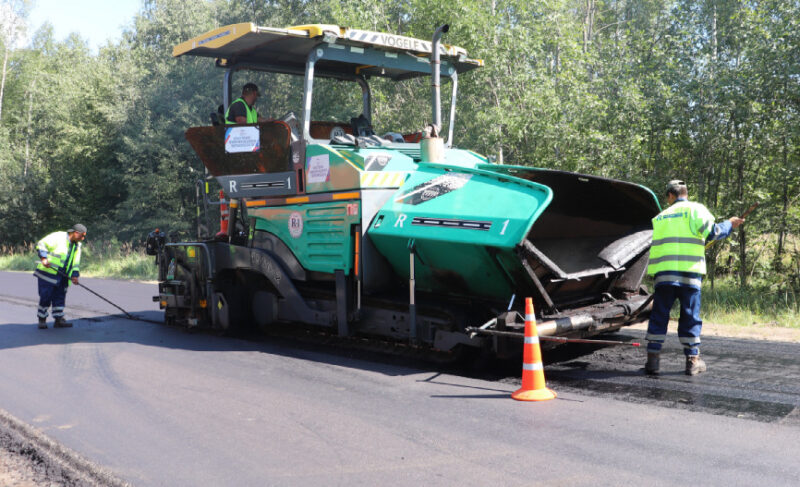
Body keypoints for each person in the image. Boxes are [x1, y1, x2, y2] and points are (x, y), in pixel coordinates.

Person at [645, 180, 744, 375]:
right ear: (685, 194)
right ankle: (692, 361)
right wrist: (729, 224)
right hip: (689, 275)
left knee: (659, 314)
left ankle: (653, 361)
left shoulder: (660, 217)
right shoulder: (695, 210)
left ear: (670, 196)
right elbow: (714, 232)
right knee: (690, 315)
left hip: (664, 275)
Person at [34, 224, 86, 329]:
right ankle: (42, 319)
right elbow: (41, 244)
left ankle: (58, 320)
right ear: (76, 233)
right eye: (82, 236)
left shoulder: (77, 245)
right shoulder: (58, 237)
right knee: (46, 297)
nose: (83, 238)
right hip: (48, 273)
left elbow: (75, 263)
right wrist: (43, 257)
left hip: (64, 276)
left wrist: (75, 275)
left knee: (60, 298)